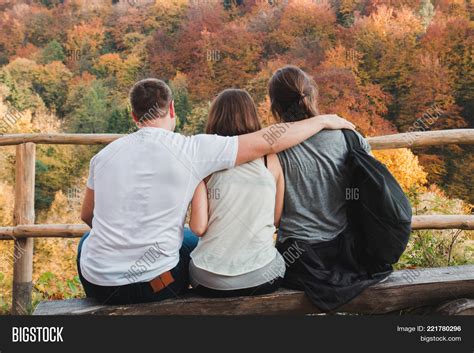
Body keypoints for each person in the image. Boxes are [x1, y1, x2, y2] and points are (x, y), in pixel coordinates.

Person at [77, 78, 355, 305]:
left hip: (99, 285)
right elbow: (267, 140)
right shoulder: (191, 150)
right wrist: (321, 120)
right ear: (172, 109)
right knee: (186, 241)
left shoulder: (103, 157)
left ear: (133, 115)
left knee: (87, 241)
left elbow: (88, 215)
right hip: (158, 284)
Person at [268, 65, 391, 311]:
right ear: (313, 96)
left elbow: (274, 216)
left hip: (300, 260)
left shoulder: (272, 148)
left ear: (275, 107)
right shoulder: (350, 137)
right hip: (347, 255)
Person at [188, 89, 286, 297]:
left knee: (185, 239)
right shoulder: (271, 160)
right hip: (262, 276)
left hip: (209, 280)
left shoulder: (205, 166)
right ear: (252, 116)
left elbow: (197, 228)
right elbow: (276, 219)